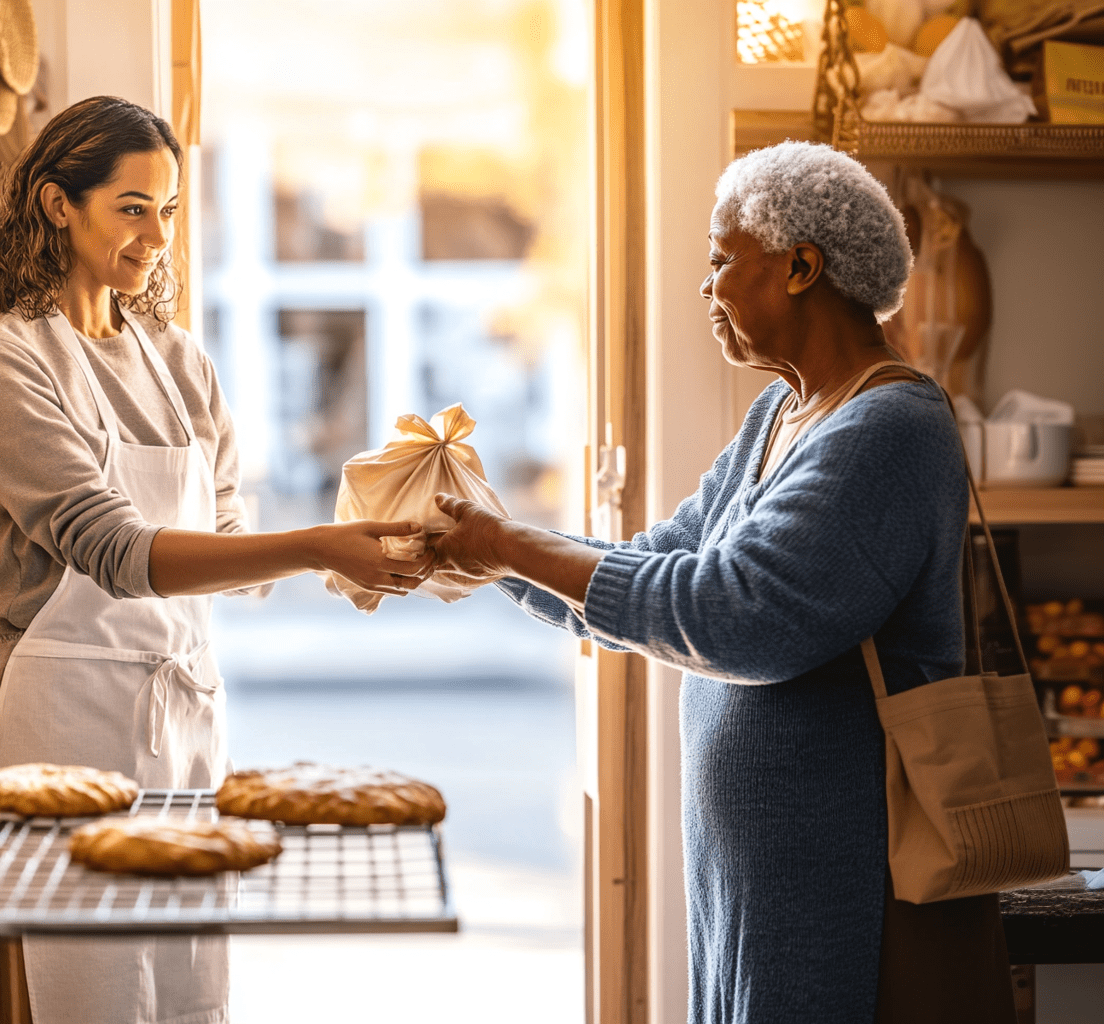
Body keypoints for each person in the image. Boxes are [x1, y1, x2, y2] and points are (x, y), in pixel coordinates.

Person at [430, 141, 1017, 1023]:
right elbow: (657, 567)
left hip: (846, 884)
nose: (705, 289)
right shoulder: (782, 413)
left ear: (800, 267)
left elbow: (733, 614)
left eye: (719, 259)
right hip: (758, 881)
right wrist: (487, 550)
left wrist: (508, 544)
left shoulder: (889, 427)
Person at [0, 96, 432, 1024]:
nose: (158, 235)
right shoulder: (12, 361)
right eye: (131, 207)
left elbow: (236, 547)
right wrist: (320, 542)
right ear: (53, 206)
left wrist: (374, 521)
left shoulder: (178, 360)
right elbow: (111, 549)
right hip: (62, 724)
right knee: (98, 994)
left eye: (169, 208)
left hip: (186, 713)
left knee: (196, 989)